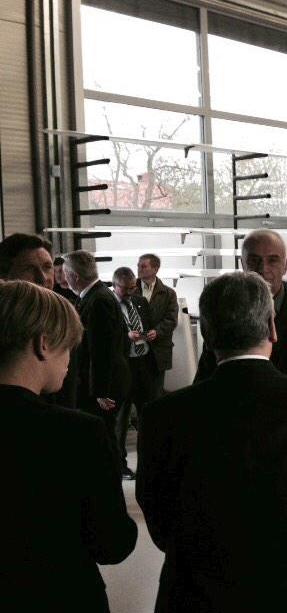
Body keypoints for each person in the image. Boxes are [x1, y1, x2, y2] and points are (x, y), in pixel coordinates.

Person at [137, 271, 287, 612]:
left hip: (199, 597)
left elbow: (161, 524)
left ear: (206, 334)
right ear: (272, 327)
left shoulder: (161, 417)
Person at [0, 280, 137, 612]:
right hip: (61, 595)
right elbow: (112, 544)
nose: (69, 360)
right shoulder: (78, 432)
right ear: (44, 344)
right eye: (69, 347)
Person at [194, 229, 287, 387]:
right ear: (242, 263)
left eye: (273, 260)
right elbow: (205, 378)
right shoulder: (224, 312)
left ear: (285, 266)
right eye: (254, 260)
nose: (263, 268)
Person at [64, 250, 131, 460]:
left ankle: (113, 474)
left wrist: (101, 392)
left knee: (105, 439)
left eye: (65, 274)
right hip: (100, 383)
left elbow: (102, 350)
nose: (63, 279)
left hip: (103, 388)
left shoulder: (99, 300)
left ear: (75, 276)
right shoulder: (93, 296)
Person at [112, 267, 158, 481]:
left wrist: (151, 333)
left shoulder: (140, 301)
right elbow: (105, 338)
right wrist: (126, 336)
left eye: (133, 288)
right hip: (123, 366)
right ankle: (120, 465)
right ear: (115, 285)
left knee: (147, 416)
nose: (131, 292)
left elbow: (148, 324)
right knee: (121, 419)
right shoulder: (109, 305)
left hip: (144, 364)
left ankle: (150, 463)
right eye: (126, 289)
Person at [137, 253, 179, 398]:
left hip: (158, 350)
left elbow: (171, 319)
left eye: (143, 266)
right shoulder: (130, 289)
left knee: (155, 392)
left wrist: (157, 331)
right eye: (138, 266)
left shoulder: (168, 293)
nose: (139, 269)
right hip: (135, 349)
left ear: (155, 269)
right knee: (134, 393)